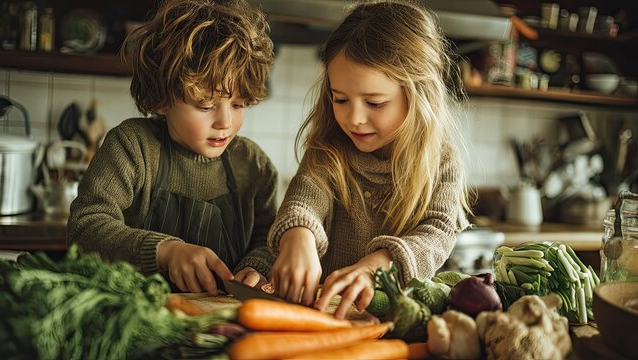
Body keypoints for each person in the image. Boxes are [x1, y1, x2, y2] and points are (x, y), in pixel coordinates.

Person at [267, 0, 473, 318]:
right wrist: (299, 235)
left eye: (375, 103)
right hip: (327, 316)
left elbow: (437, 232)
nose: (354, 118)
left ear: (418, 96)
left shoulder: (442, 162)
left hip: (400, 324)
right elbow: (305, 199)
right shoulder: (329, 150)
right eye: (340, 99)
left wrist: (377, 266)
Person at [67, 0, 277, 295]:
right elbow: (85, 228)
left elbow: (269, 240)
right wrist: (164, 251)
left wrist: (257, 266)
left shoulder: (253, 165)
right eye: (205, 105)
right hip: (134, 317)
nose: (225, 122)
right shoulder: (133, 147)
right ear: (162, 100)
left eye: (239, 104)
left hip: (221, 322)